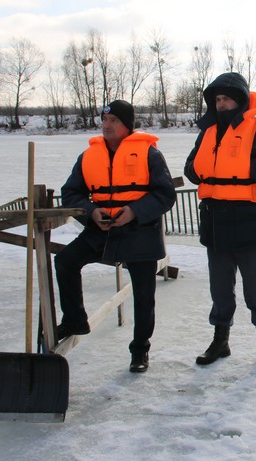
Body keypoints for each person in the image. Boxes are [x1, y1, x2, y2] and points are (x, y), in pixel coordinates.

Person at [55, 99, 177, 373]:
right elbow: (71, 193)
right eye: (104, 120)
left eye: (114, 121)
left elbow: (165, 194)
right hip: (101, 231)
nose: (107, 125)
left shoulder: (149, 154)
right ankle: (75, 319)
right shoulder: (88, 156)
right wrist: (91, 213)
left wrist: (134, 211)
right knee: (65, 261)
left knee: (144, 294)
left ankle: (140, 350)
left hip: (140, 232)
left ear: (127, 126)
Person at [184, 72, 256, 371]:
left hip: (250, 223)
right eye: (217, 99)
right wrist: (203, 170)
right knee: (220, 290)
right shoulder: (207, 132)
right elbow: (191, 168)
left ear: (241, 100)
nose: (221, 104)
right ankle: (220, 341)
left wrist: (242, 165)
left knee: (255, 290)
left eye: (227, 99)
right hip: (215, 223)